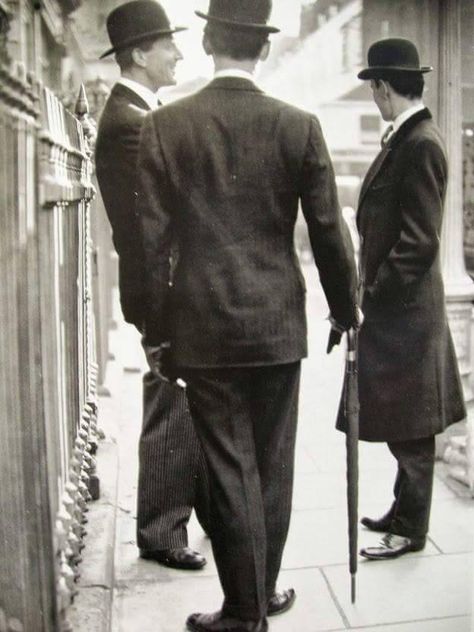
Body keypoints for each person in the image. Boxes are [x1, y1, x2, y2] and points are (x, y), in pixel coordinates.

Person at [136, 1, 358, 629]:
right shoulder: (299, 125)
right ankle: (258, 596)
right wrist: (345, 311)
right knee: (272, 466)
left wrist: (155, 332)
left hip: (202, 328)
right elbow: (328, 233)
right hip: (276, 326)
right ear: (261, 49)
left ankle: (244, 609)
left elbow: (151, 248)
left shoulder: (165, 127)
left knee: (228, 468)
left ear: (207, 42)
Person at [337, 38, 466, 561]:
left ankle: (411, 528)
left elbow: (419, 242)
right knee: (399, 419)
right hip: (399, 312)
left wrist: (369, 294)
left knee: (411, 426)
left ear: (383, 88)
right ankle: (402, 508)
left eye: (373, 89)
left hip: (405, 313)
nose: (373, 97)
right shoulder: (407, 139)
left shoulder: (421, 143)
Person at [95, 0, 209, 571]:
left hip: (163, 291)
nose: (179, 53)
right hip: (163, 294)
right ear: (140, 54)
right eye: (169, 44)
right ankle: (162, 533)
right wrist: (163, 316)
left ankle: (188, 519)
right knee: (171, 407)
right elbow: (150, 233)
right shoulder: (132, 125)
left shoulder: (134, 115)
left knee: (186, 407)